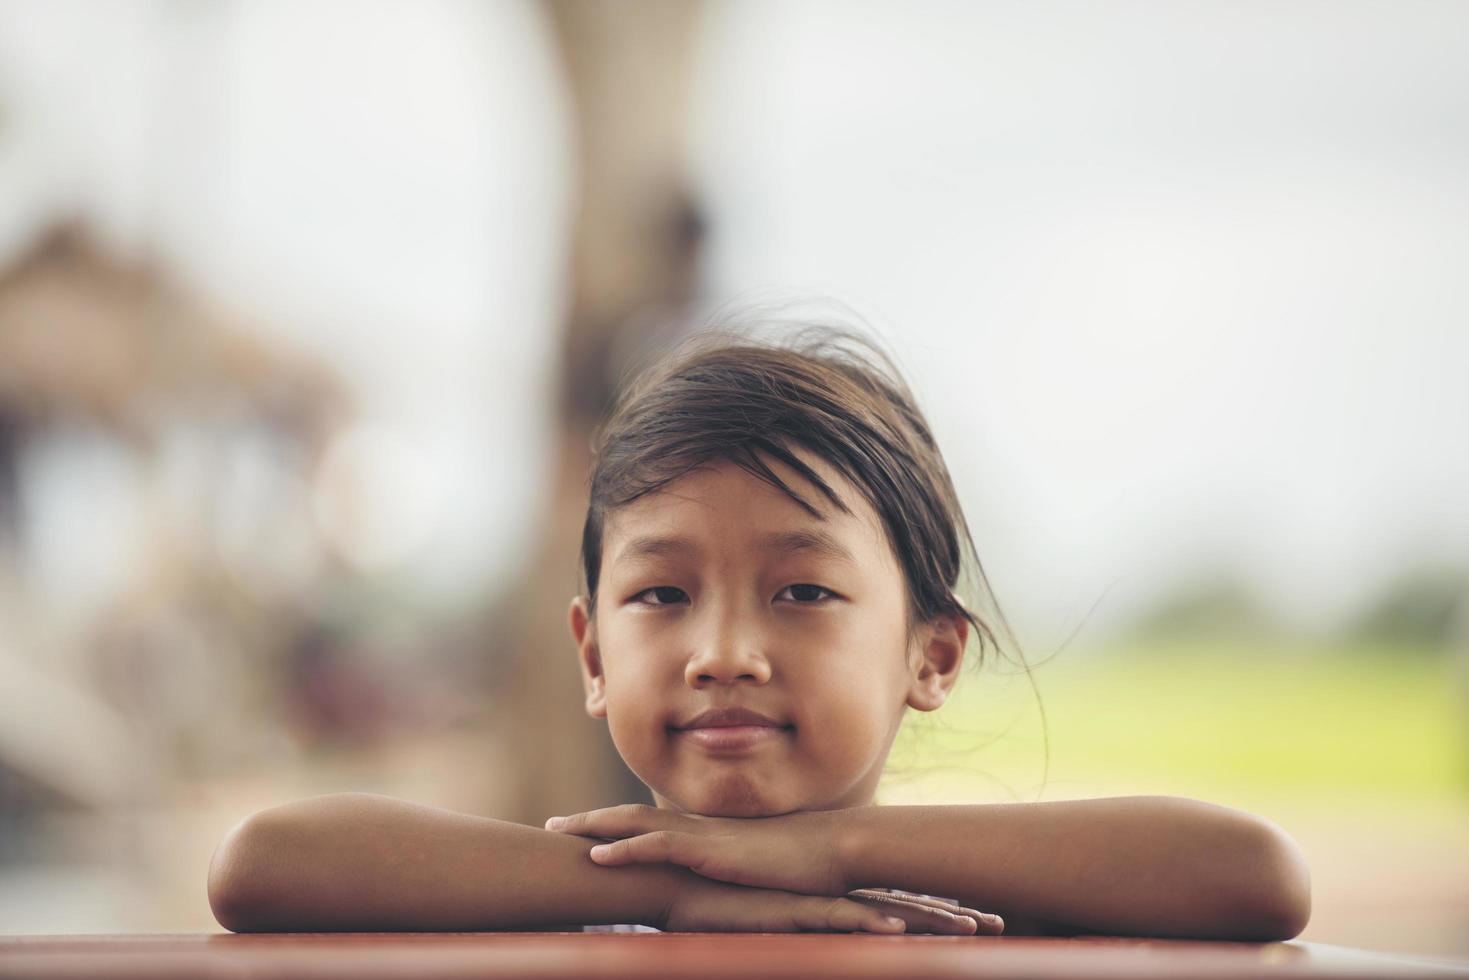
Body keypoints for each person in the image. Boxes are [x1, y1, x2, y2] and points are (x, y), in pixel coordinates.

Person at [207, 326, 1311, 939]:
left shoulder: (950, 903)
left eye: (801, 592)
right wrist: (674, 888)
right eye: (661, 595)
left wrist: (829, 851)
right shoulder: (554, 894)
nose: (721, 650)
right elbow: (265, 864)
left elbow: (1249, 874)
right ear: (592, 654)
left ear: (929, 653)